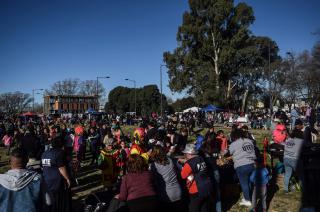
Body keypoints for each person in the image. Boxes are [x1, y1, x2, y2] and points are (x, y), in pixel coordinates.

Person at [179, 143, 213, 212]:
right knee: (204, 207)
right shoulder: (201, 158)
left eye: (185, 154)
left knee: (193, 208)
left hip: (196, 189)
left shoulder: (189, 164)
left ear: (189, 154)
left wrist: (183, 165)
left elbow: (183, 175)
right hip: (206, 186)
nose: (185, 155)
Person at [150, 145, 184, 212]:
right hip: (177, 191)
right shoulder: (171, 160)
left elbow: (155, 182)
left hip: (165, 195)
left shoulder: (154, 165)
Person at [41, 136, 72, 212]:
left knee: (50, 201)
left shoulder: (45, 153)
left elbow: (42, 166)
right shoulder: (60, 153)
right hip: (57, 182)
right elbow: (61, 167)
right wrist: (68, 178)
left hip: (47, 180)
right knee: (59, 201)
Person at [227, 128, 256, 207]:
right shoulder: (250, 141)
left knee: (244, 183)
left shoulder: (234, 143)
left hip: (241, 165)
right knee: (249, 182)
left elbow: (229, 152)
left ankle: (247, 200)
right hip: (252, 163)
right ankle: (249, 196)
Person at [283, 119, 305, 193]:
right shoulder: (301, 136)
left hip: (286, 157)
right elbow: (304, 147)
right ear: (300, 125)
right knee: (301, 173)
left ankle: (286, 189)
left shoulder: (290, 138)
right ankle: (302, 188)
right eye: (302, 125)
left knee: (287, 174)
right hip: (294, 158)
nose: (303, 126)